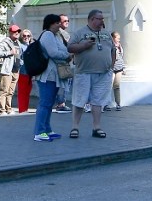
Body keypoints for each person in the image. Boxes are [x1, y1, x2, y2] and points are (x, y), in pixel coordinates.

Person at [67, 9, 115, 138]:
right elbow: (70, 48)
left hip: (103, 73)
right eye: (100, 19)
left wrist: (111, 66)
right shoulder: (80, 33)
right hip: (84, 72)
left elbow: (113, 50)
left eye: (102, 19)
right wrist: (83, 46)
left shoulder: (106, 33)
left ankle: (96, 127)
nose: (102, 21)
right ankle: (75, 127)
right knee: (79, 100)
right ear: (92, 19)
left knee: (98, 101)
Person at [33, 14, 71, 142]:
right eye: (57, 23)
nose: (59, 25)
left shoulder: (55, 36)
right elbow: (53, 53)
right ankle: (39, 132)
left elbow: (62, 49)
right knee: (45, 103)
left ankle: (47, 129)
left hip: (54, 75)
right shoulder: (48, 35)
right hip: (47, 75)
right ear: (50, 24)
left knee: (49, 103)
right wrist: (67, 55)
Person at [0, 25, 22, 114]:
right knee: (4, 91)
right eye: (14, 31)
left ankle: (8, 109)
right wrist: (9, 52)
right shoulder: (5, 42)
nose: (17, 33)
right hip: (7, 70)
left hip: (16, 70)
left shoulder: (17, 42)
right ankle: (2, 110)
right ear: (10, 33)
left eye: (18, 31)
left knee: (10, 92)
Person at [53, 14, 73, 113]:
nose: (67, 22)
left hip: (65, 62)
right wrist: (68, 55)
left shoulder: (64, 33)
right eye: (64, 21)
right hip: (61, 63)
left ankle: (61, 103)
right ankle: (60, 104)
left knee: (65, 83)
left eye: (67, 20)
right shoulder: (58, 34)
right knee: (62, 84)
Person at [16, 29, 35, 113]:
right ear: (21, 37)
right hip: (23, 72)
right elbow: (19, 58)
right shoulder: (20, 46)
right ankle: (22, 109)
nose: (26, 37)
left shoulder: (32, 46)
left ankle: (25, 109)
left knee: (27, 92)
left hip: (30, 73)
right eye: (24, 36)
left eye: (28, 36)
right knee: (22, 92)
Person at [109, 31, 125, 111]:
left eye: (119, 38)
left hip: (119, 68)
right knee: (108, 86)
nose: (119, 40)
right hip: (111, 68)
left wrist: (123, 68)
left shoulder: (120, 46)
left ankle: (118, 103)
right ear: (113, 38)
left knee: (117, 86)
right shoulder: (110, 46)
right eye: (117, 38)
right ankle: (106, 104)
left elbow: (122, 57)